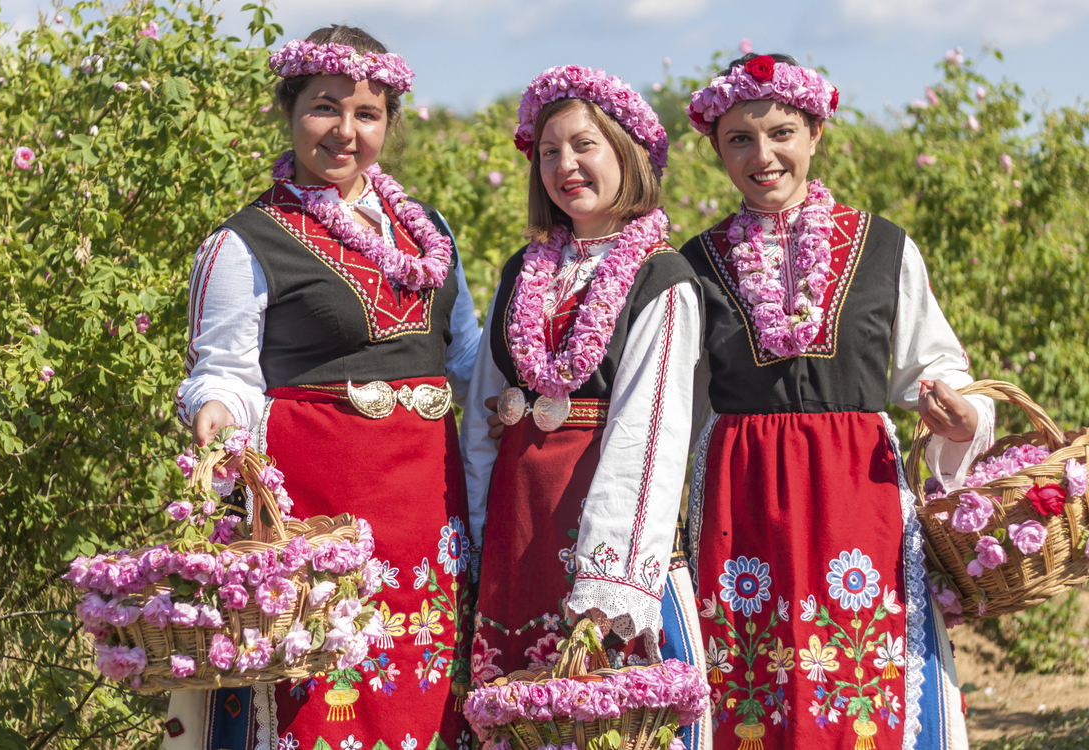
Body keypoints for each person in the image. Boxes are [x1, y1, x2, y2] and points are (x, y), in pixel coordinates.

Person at [166, 25, 479, 750]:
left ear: (388, 125)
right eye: (324, 108)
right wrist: (214, 408)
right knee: (323, 694)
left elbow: (465, 355)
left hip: (428, 507)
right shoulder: (247, 241)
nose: (345, 132)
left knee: (423, 681)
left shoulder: (430, 233)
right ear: (289, 110)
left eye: (366, 115)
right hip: (321, 504)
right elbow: (224, 371)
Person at [679, 53, 993, 750]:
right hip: (742, 504)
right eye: (740, 139)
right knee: (750, 685)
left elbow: (938, 364)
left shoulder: (885, 248)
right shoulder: (691, 266)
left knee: (866, 682)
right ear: (717, 149)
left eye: (782, 132)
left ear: (816, 132)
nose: (764, 155)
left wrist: (962, 416)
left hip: (860, 496)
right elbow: (676, 405)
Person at [461, 65, 711, 747]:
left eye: (583, 146)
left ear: (627, 154)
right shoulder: (524, 269)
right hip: (521, 529)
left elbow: (649, 432)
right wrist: (478, 527)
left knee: (601, 711)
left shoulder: (662, 277)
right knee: (520, 707)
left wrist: (609, 578)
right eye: (548, 151)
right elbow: (485, 403)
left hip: (596, 530)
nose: (564, 165)